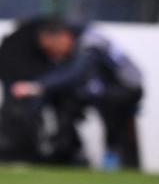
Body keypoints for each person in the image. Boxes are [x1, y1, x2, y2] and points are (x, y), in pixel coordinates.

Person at [0, 17, 142, 168]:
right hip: (107, 89)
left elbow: (74, 74)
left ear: (64, 36)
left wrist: (37, 86)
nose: (53, 54)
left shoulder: (89, 44)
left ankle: (114, 158)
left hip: (126, 89)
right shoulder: (81, 42)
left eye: (52, 48)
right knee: (69, 102)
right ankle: (71, 152)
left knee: (108, 112)